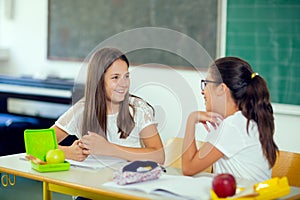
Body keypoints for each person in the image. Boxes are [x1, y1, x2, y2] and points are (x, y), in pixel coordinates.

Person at [52, 47, 165, 165]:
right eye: (115, 77)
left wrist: (110, 149)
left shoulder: (137, 109)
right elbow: (36, 144)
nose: (124, 84)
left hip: (125, 180)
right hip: (87, 181)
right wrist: (66, 152)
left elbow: (159, 156)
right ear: (98, 81)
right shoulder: (82, 109)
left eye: (126, 76)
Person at [182, 57, 278, 182]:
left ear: (222, 88)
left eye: (206, 84)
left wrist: (191, 119)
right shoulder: (242, 121)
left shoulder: (233, 126)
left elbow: (188, 168)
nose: (203, 91)